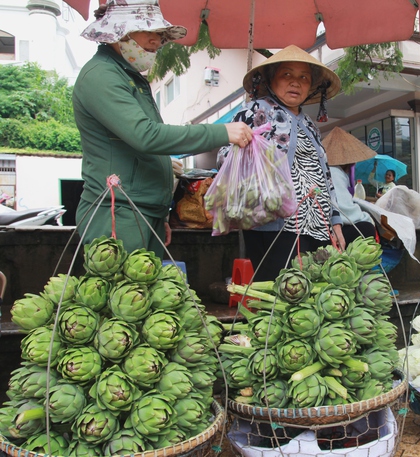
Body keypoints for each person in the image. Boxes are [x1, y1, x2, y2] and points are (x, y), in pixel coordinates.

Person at [73, 0, 252, 258]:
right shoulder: (102, 75)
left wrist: (161, 214)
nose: (156, 41)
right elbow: (146, 136)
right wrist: (222, 132)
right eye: (149, 31)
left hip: (143, 211)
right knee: (123, 295)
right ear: (119, 31)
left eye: (159, 34)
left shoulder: (129, 76)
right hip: (117, 211)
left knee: (149, 295)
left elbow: (144, 146)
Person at [223, 45, 344, 281]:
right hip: (274, 226)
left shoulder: (310, 125)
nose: (295, 83)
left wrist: (335, 221)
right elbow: (227, 157)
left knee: (313, 298)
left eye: (303, 78)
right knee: (280, 296)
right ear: (271, 79)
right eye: (286, 75)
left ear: (311, 86)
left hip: (317, 224)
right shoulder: (254, 111)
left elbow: (325, 176)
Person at [323, 127, 377, 245]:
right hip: (326, 229)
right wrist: (367, 218)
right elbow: (344, 209)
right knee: (366, 228)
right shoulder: (334, 172)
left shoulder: (330, 171)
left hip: (321, 225)